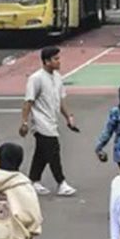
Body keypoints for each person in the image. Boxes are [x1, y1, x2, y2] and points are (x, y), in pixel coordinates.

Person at [20, 47, 76, 196]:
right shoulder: (36, 78)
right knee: (53, 150)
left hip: (52, 120)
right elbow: (29, 101)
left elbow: (61, 100)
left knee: (42, 152)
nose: (59, 61)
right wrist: (24, 122)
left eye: (58, 58)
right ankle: (61, 182)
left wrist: (68, 117)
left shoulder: (57, 77)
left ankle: (33, 180)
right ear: (46, 61)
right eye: (55, 59)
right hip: (40, 122)